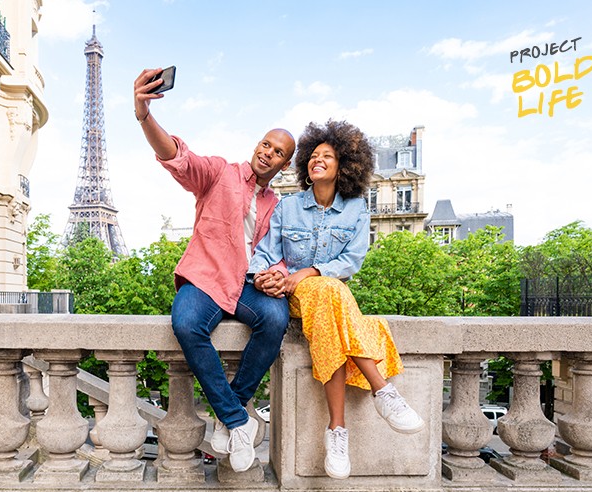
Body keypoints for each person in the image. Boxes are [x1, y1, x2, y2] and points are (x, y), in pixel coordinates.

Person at [133, 68, 295, 473]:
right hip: (206, 279)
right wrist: (144, 115)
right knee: (186, 323)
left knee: (275, 317)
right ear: (256, 145)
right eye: (265, 144)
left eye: (277, 152)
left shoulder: (276, 206)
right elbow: (176, 156)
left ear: (285, 164)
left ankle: (230, 410)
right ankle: (239, 420)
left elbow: (276, 255)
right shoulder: (220, 172)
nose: (267, 153)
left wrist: (277, 276)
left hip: (246, 284)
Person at [248, 120, 424, 480]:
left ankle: (337, 431)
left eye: (327, 156)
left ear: (343, 166)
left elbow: (351, 261)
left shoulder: (357, 209)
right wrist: (264, 277)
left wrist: (308, 271)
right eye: (313, 156)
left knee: (329, 295)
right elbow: (266, 252)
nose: (317, 160)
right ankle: (383, 391)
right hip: (294, 295)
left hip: (327, 293)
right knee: (330, 293)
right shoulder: (287, 207)